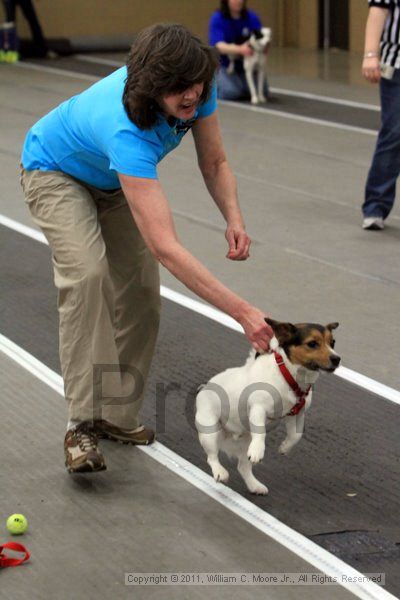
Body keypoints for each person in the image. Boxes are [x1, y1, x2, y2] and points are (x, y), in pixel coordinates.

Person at [20, 23, 274, 474]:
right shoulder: (126, 130)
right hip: (54, 172)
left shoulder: (197, 85)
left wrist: (233, 217)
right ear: (152, 89)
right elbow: (167, 247)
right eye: (180, 94)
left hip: (111, 182)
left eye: (198, 88)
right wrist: (243, 312)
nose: (192, 99)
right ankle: (81, 424)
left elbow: (213, 160)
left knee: (140, 294)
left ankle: (115, 415)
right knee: (88, 275)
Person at [362, 0, 400, 230]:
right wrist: (370, 53)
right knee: (394, 132)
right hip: (396, 64)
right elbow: (378, 9)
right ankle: (376, 204)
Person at [209, 0, 269, 101]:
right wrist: (240, 49)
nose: (238, 1)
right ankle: (212, 83)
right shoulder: (218, 18)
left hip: (245, 66)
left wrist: (264, 46)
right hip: (224, 66)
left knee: (263, 91)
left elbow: (261, 38)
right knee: (231, 92)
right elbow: (218, 46)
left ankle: (240, 85)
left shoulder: (251, 17)